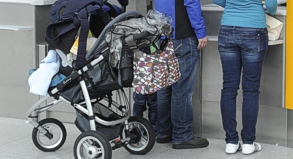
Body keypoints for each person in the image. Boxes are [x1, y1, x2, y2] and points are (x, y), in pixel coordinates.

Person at [213, 0, 277, 155]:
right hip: (254, 29)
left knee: (229, 87)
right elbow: (271, 6)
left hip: (228, 28)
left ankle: (231, 142)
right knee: (251, 90)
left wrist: (233, 6)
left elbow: (217, 0)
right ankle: (248, 143)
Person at [154, 0, 209, 149]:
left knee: (164, 86)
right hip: (182, 36)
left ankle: (163, 132)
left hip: (162, 35)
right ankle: (182, 135)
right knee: (182, 89)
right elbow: (191, 2)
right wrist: (201, 32)